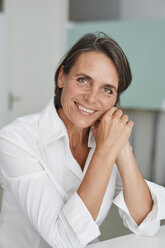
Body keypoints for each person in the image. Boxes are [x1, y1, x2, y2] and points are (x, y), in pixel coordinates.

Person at [0, 33, 164, 248]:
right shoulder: (16, 139)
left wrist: (121, 146)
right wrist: (106, 151)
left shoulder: (107, 139)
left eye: (107, 89)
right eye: (83, 80)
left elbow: (145, 223)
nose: (92, 98)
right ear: (61, 77)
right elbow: (63, 240)